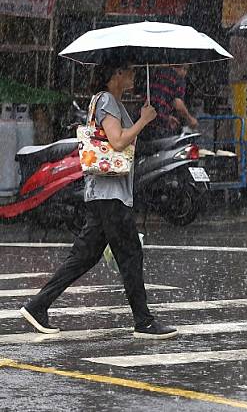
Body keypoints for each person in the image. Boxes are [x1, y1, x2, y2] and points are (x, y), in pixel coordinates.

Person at [20, 58, 178, 339]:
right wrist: (143, 120)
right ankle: (143, 322)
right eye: (129, 69)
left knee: (85, 255)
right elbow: (117, 141)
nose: (133, 75)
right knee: (130, 253)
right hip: (109, 193)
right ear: (116, 73)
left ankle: (37, 305)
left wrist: (141, 119)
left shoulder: (108, 101)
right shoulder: (106, 100)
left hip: (104, 191)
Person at [141, 65, 198, 140]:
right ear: (181, 68)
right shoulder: (178, 79)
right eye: (185, 69)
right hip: (159, 127)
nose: (185, 73)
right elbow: (177, 103)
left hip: (144, 121)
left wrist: (167, 118)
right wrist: (190, 119)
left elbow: (156, 101)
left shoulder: (157, 73)